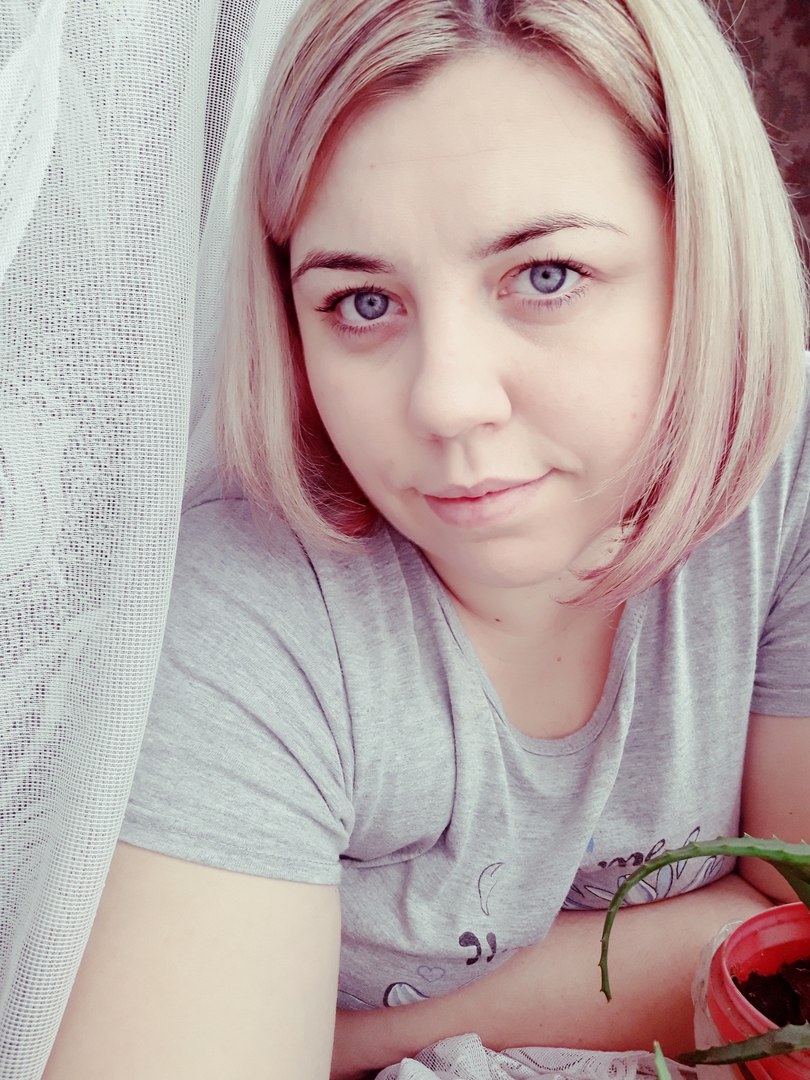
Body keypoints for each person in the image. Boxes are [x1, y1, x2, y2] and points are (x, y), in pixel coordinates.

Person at [46, 0, 810, 1077]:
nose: (446, 401)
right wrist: (699, 943)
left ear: (704, 255)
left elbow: (788, 929)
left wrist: (352, 1038)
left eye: (545, 277)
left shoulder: (783, 493)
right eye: (363, 302)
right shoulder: (243, 621)